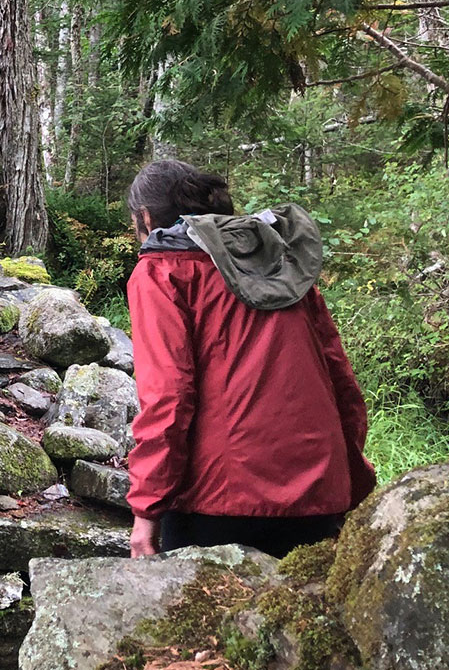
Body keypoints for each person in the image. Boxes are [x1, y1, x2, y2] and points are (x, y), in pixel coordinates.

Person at [124, 160, 376, 559]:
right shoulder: (284, 266)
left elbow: (167, 396)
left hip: (218, 499)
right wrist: (352, 484)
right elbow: (340, 381)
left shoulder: (163, 271)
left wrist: (146, 511)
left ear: (145, 218)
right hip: (319, 493)